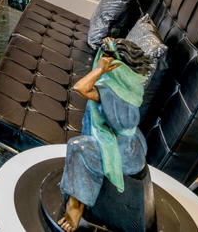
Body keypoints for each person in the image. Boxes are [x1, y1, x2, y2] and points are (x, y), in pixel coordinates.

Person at [58, 38, 152, 232]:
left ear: (116, 65)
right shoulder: (129, 85)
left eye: (106, 57)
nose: (101, 59)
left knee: (78, 146)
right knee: (84, 142)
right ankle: (79, 194)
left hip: (122, 150)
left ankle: (76, 206)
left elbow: (80, 87)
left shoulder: (112, 90)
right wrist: (110, 46)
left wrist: (100, 70)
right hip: (129, 143)